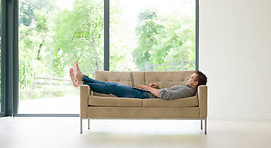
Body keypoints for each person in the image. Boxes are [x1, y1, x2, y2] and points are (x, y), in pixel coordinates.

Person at [70, 61, 207, 100]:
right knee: (111, 85)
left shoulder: (187, 90)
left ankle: (82, 81)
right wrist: (156, 86)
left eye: (192, 77)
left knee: (112, 87)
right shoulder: (187, 89)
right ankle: (82, 79)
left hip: (145, 96)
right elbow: (165, 92)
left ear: (196, 83)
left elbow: (165, 95)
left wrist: (148, 89)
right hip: (146, 94)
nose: (188, 77)